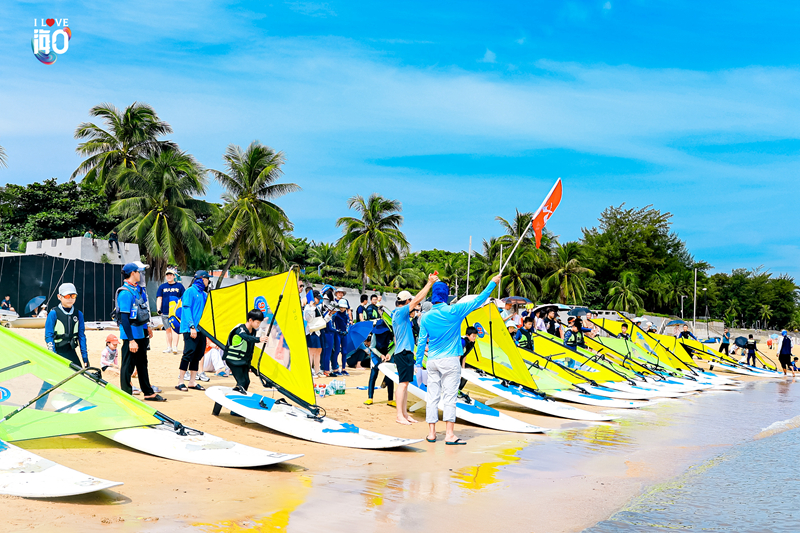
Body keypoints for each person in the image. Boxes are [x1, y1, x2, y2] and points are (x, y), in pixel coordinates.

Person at [416, 273, 501, 445]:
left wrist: (418, 363)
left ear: (433, 297)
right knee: (450, 397)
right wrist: (493, 283)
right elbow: (479, 300)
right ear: (446, 296)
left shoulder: (425, 317)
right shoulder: (453, 311)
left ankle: (432, 434)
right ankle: (449, 435)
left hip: (431, 361)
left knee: (432, 396)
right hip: (450, 360)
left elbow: (420, 341)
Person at [391, 274, 437, 425]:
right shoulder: (399, 312)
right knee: (403, 384)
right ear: (406, 302)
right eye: (410, 302)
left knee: (405, 384)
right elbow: (418, 299)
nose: (414, 305)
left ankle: (404, 414)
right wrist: (429, 283)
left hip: (405, 352)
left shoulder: (402, 316)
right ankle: (399, 415)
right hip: (403, 352)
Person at [116, 264, 164, 401]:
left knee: (142, 363)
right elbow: (124, 318)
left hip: (140, 332)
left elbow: (140, 312)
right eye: (139, 272)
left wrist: (147, 327)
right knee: (128, 364)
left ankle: (148, 392)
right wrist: (131, 340)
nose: (141, 274)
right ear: (132, 273)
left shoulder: (135, 289)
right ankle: (126, 393)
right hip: (131, 335)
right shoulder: (125, 292)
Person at [176, 270, 210, 392]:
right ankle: (180, 381)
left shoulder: (204, 294)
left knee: (198, 354)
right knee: (188, 353)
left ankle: (192, 381)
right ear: (202, 279)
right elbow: (186, 309)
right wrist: (191, 327)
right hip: (190, 329)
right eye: (207, 279)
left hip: (201, 330)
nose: (208, 281)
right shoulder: (190, 291)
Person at [223, 309, 268, 394]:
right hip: (233, 360)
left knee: (246, 382)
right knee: (242, 382)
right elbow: (246, 337)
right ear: (250, 320)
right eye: (257, 322)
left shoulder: (253, 331)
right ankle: (231, 399)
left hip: (243, 361)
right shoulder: (240, 329)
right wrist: (259, 339)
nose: (259, 325)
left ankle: (237, 397)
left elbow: (250, 348)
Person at [44, 283, 89, 368]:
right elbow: (48, 335)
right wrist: (53, 355)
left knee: (79, 377)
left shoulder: (78, 314)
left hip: (71, 352)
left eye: (73, 296)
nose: (70, 299)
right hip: (58, 352)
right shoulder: (53, 313)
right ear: (59, 297)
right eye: (67, 296)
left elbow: (81, 336)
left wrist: (85, 357)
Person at [156, 266, 185, 354]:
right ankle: (169, 347)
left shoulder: (179, 286)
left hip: (175, 311)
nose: (169, 276)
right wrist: (158, 308)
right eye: (167, 275)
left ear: (174, 276)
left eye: (171, 275)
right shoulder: (162, 286)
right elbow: (159, 298)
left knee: (175, 329)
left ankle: (175, 347)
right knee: (168, 329)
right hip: (165, 311)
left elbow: (183, 298)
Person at [304, 291, 323, 377]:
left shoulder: (317, 307)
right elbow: (309, 319)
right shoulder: (308, 307)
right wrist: (311, 307)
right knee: (311, 351)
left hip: (317, 331)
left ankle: (317, 370)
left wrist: (328, 315)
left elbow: (320, 320)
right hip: (311, 332)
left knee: (318, 351)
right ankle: (309, 370)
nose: (318, 300)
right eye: (317, 298)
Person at [330, 299, 351, 376]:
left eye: (344, 307)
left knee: (344, 352)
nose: (342, 309)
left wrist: (347, 330)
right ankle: (335, 368)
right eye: (341, 307)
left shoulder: (346, 315)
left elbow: (348, 323)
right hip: (337, 334)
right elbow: (332, 324)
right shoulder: (335, 315)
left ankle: (344, 369)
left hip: (344, 334)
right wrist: (336, 330)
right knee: (336, 351)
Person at [457, 326, 478, 392]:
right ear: (467, 335)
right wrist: (457, 366)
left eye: (475, 336)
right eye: (473, 336)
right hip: (453, 358)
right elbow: (458, 355)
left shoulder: (472, 343)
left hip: (460, 359)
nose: (474, 338)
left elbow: (465, 355)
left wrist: (463, 367)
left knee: (466, 375)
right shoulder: (463, 341)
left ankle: (458, 390)